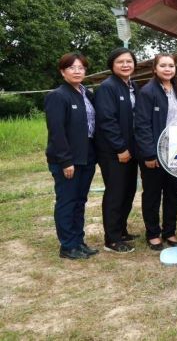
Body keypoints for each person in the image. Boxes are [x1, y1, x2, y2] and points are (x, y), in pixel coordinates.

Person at [45, 53, 99, 260]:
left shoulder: (85, 94)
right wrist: (65, 160)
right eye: (72, 67)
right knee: (67, 201)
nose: (77, 71)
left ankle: (78, 241)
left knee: (80, 201)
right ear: (62, 71)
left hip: (86, 157)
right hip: (67, 160)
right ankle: (67, 246)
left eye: (81, 68)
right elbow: (56, 132)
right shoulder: (57, 96)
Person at [134, 53, 177, 251]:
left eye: (171, 65)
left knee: (173, 193)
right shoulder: (147, 92)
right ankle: (153, 233)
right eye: (163, 65)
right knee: (153, 194)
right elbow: (142, 124)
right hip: (154, 153)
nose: (167, 69)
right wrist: (149, 154)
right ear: (154, 69)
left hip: (176, 153)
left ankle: (169, 231)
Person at [95, 47, 139, 254]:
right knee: (115, 192)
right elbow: (107, 120)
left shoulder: (132, 86)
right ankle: (111, 239)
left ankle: (121, 230)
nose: (125, 65)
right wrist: (120, 148)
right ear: (112, 65)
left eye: (129, 61)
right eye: (120, 61)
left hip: (131, 150)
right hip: (114, 151)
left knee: (128, 191)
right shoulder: (107, 87)